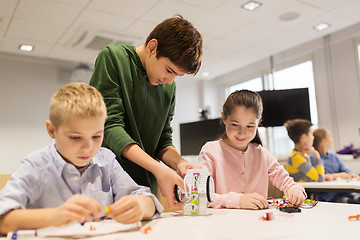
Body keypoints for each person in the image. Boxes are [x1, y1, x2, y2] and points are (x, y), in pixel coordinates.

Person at [0, 82, 163, 234]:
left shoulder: (106, 160)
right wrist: (55, 216)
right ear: (52, 130)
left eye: (96, 136)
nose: (88, 148)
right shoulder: (35, 165)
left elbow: (148, 201)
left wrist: (140, 206)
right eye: (75, 138)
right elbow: (3, 218)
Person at [89, 15, 202, 209]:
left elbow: (163, 141)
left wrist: (179, 163)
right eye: (169, 70)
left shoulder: (169, 87)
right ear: (152, 47)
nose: (169, 81)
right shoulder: (113, 58)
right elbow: (109, 128)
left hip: (146, 191)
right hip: (106, 185)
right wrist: (158, 168)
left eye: (177, 76)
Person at [198, 90, 306, 210]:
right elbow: (199, 195)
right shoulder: (210, 151)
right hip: (222, 224)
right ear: (224, 117)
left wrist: (295, 190)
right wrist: (237, 200)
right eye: (235, 124)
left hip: (258, 223)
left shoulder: (262, 153)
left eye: (250, 126)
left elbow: (287, 182)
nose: (242, 133)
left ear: (258, 123)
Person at [312, 128, 360, 203]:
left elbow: (346, 171)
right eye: (329, 137)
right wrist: (339, 175)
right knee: (352, 203)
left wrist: (352, 175)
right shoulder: (313, 158)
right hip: (330, 197)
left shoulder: (333, 156)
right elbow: (321, 177)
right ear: (323, 141)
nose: (331, 140)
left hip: (347, 193)